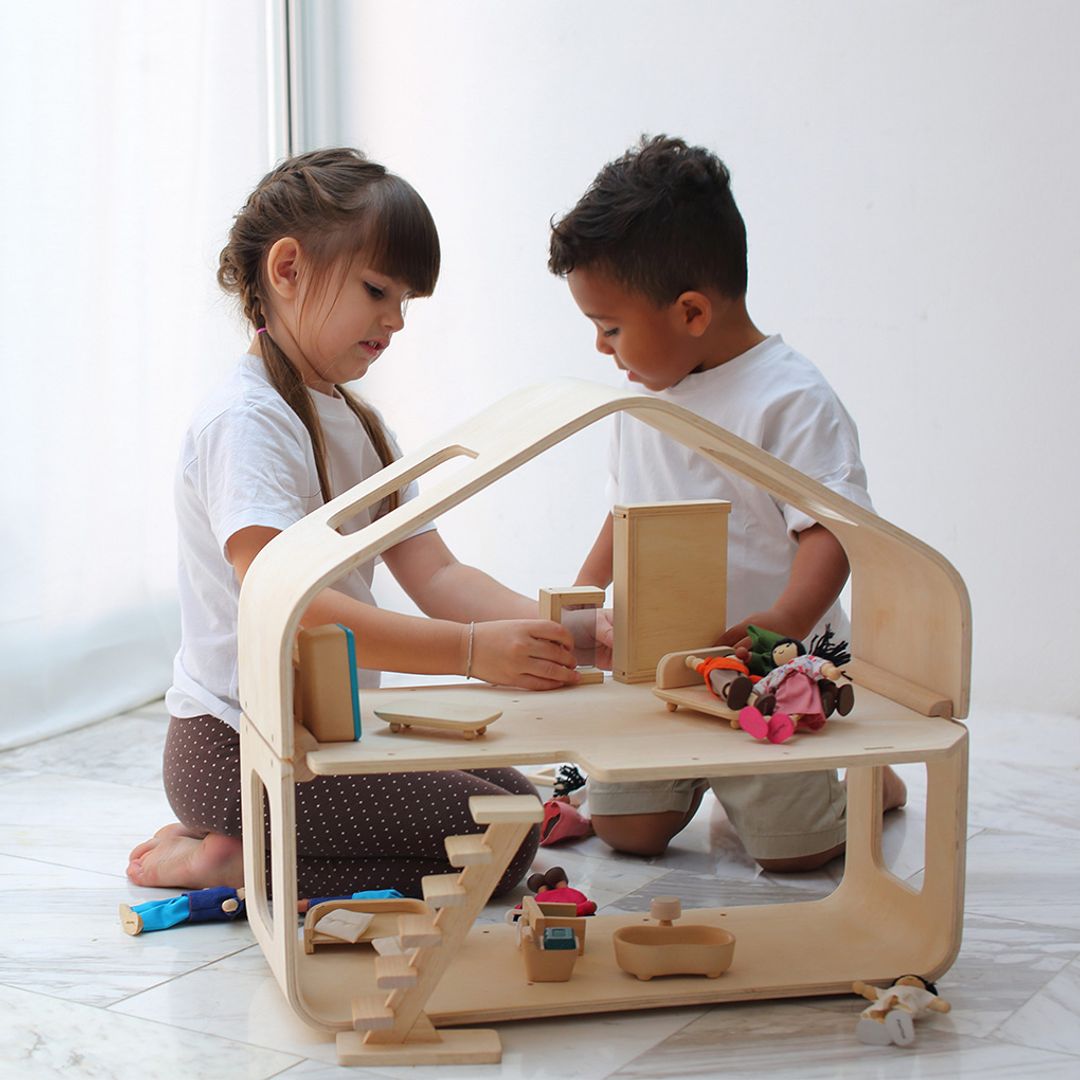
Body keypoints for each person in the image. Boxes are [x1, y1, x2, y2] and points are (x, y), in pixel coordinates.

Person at [128, 148, 579, 900]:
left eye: (405, 300)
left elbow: (437, 572)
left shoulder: (363, 426)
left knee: (514, 804)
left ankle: (250, 846)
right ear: (287, 269)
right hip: (235, 747)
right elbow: (288, 603)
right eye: (377, 290)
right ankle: (233, 862)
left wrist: (558, 631)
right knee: (501, 844)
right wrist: (472, 651)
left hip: (325, 729)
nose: (395, 320)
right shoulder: (246, 422)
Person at [548, 135, 905, 872]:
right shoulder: (640, 403)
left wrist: (783, 624)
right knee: (628, 831)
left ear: (691, 312)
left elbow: (831, 533)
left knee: (796, 851)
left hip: (769, 670)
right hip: (665, 671)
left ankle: (872, 787)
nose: (602, 349)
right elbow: (625, 514)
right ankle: (709, 780)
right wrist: (585, 597)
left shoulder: (790, 399)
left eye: (611, 328)